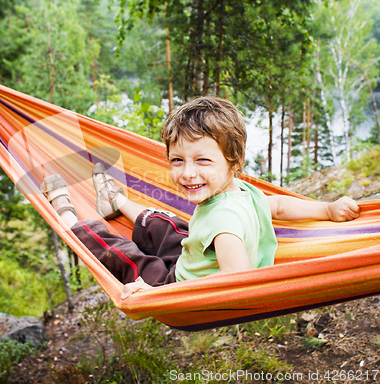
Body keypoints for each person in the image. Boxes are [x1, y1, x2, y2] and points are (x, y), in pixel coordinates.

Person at [42, 96, 360, 300]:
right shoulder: (242, 190)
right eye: (178, 160)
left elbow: (236, 282)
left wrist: (153, 291)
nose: (187, 173)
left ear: (233, 162)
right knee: (165, 223)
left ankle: (72, 219)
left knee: (124, 254)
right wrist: (327, 209)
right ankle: (117, 202)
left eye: (202, 161)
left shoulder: (224, 226)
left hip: (175, 283)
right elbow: (277, 204)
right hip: (194, 254)